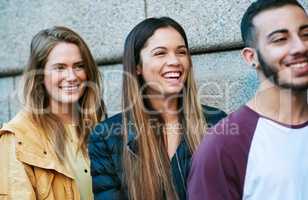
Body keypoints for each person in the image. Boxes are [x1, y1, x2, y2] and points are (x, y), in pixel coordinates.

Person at [88, 17, 226, 200]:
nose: (175, 61)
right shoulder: (105, 137)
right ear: (137, 67)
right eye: (160, 53)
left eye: (181, 52)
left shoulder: (218, 123)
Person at [188, 0, 308, 199]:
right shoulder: (223, 146)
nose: (300, 47)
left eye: (306, 35)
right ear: (251, 57)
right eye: (280, 39)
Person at [0, 26, 106, 200]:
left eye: (79, 66)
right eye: (60, 68)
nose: (72, 76)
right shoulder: (16, 138)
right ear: (40, 75)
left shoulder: (98, 127)